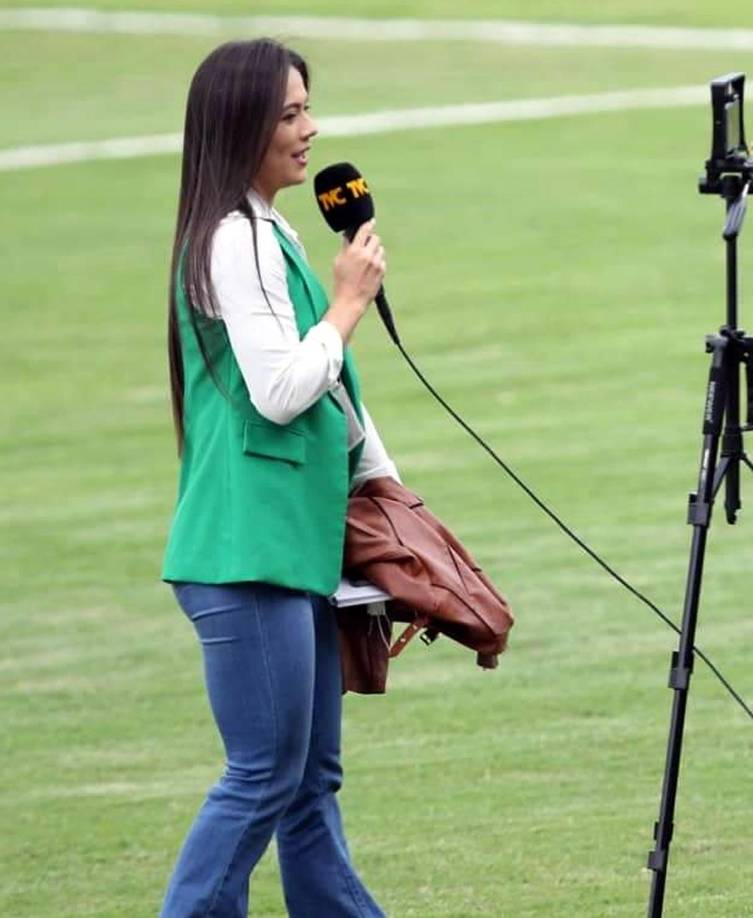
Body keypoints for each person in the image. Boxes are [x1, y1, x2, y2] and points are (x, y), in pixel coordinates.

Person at [159, 38, 399, 917]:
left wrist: (390, 504)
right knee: (263, 776)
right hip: (245, 553)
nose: (310, 129)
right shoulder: (233, 239)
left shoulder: (270, 229)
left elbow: (335, 403)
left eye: (308, 108)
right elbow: (285, 390)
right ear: (241, 124)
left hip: (289, 547)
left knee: (305, 785)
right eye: (291, 113)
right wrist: (346, 304)